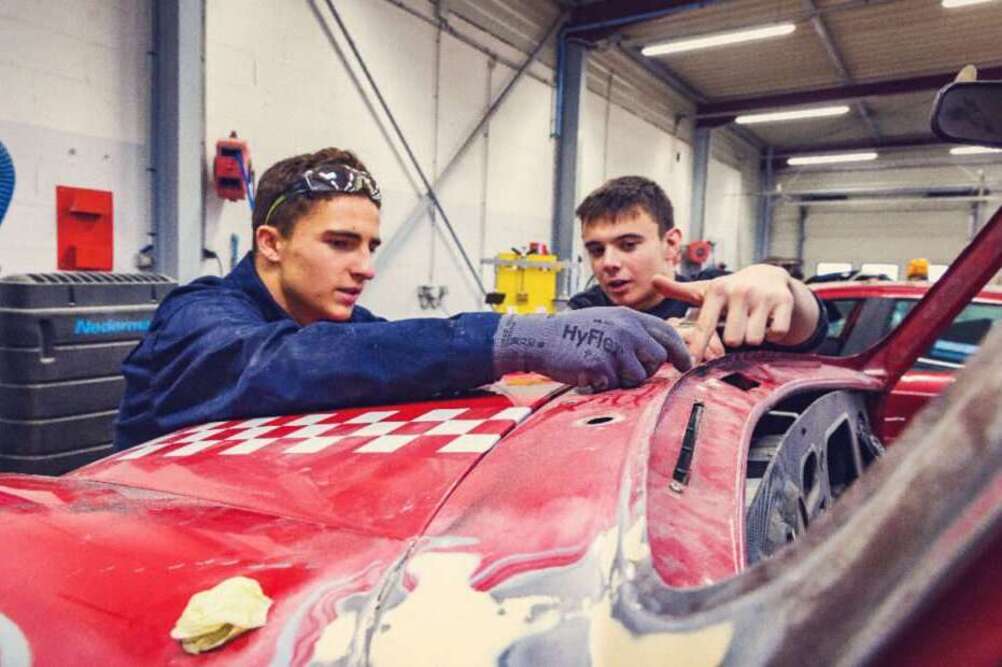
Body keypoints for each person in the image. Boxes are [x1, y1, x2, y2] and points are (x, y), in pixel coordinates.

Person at [114, 149, 692, 450]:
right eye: (340, 244)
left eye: (370, 245)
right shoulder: (197, 317)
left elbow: (389, 356)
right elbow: (286, 364)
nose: (365, 267)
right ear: (271, 242)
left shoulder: (342, 322)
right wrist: (510, 338)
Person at [569, 176, 826, 363]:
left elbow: (807, 333)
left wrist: (783, 284)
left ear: (670, 244)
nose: (608, 263)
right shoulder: (586, 309)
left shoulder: (718, 293)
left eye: (628, 245)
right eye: (596, 250)